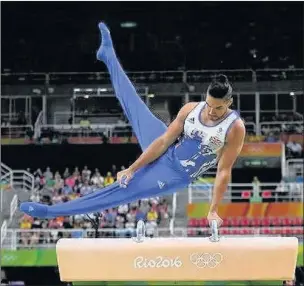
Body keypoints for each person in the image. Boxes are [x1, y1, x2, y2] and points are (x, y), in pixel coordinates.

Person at [20, 22, 246, 227]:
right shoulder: (191, 109)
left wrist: (213, 209)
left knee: (123, 190)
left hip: (176, 175)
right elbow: (165, 140)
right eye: (209, 105)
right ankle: (108, 55)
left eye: (219, 108)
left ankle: (50, 211)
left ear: (229, 102)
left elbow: (224, 171)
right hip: (167, 150)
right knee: (134, 105)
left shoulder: (234, 128)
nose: (212, 112)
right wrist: (131, 168)